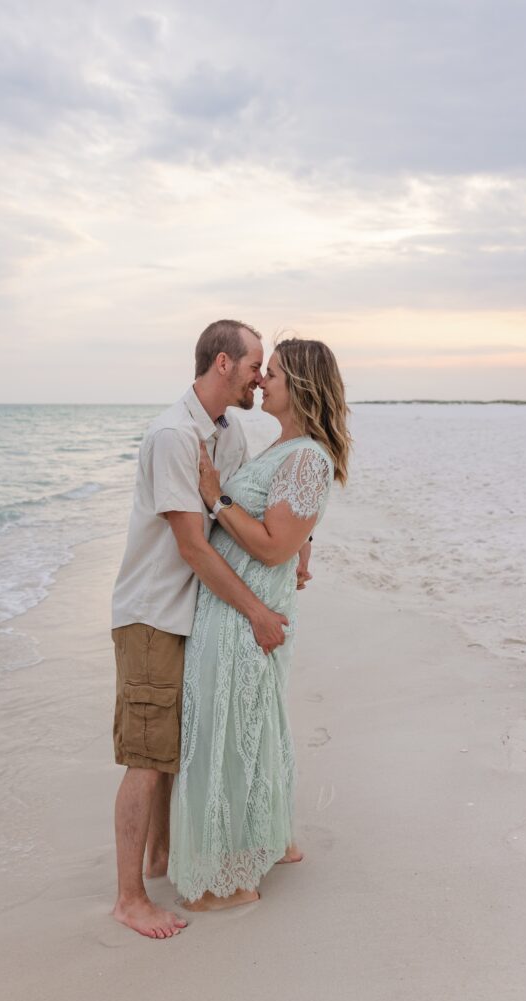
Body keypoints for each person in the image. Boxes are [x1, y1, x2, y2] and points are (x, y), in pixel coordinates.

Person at [111, 320, 310, 940]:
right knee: (148, 756)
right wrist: (255, 610)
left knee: (175, 748)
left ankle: (163, 858)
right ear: (224, 364)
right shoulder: (175, 435)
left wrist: (302, 543)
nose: (261, 375)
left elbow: (240, 506)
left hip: (193, 611)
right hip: (153, 613)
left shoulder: (226, 432)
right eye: (255, 364)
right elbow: (195, 547)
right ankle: (129, 898)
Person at [168, 339, 351, 910]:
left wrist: (216, 498)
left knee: (229, 733)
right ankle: (271, 842)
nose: (260, 383)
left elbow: (273, 546)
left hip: (245, 616)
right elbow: (291, 529)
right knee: (248, 726)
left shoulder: (305, 456)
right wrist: (304, 544)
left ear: (298, 385)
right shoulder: (286, 447)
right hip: (240, 610)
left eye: (270, 374)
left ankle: (233, 881)